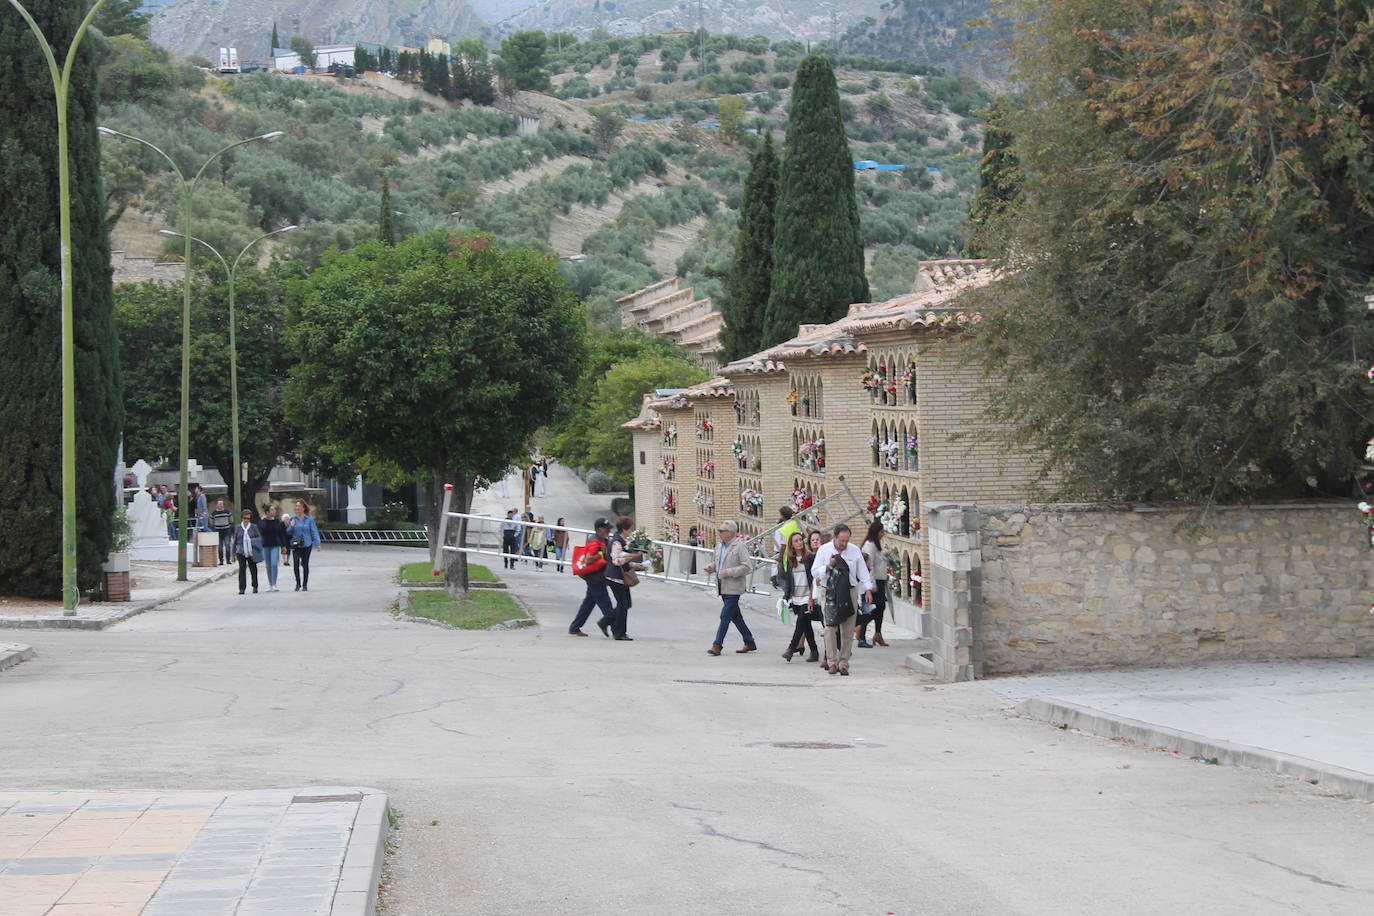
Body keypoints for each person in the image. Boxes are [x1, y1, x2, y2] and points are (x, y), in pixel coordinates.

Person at [811, 524, 874, 676]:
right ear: (835, 537)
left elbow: (863, 572)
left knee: (847, 629)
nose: (844, 544)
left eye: (846, 540)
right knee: (830, 628)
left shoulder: (854, 550)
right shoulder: (824, 550)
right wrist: (828, 566)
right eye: (841, 541)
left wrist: (868, 590)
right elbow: (814, 572)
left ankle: (844, 663)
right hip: (830, 592)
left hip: (849, 591)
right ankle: (832, 661)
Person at [704, 519, 756, 655]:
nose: (719, 533)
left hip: (734, 587)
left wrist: (730, 572)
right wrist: (711, 567)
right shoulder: (719, 546)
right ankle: (749, 641)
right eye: (719, 531)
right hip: (722, 586)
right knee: (735, 616)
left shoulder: (739, 546)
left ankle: (717, 645)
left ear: (731, 533)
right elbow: (718, 562)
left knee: (725, 615)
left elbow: (747, 566)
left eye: (722, 531)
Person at [598, 516, 642, 641]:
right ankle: (619, 632)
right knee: (623, 604)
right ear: (624, 529)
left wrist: (636, 564)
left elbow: (624, 561)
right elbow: (616, 561)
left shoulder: (621, 540)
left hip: (620, 577)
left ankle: (606, 622)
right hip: (615, 578)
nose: (631, 531)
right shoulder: (617, 542)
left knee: (626, 603)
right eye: (630, 529)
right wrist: (633, 556)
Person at [568, 518, 615, 636]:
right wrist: (600, 554)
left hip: (596, 577)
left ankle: (574, 627)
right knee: (606, 604)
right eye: (606, 529)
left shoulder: (602, 539)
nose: (609, 531)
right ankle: (616, 629)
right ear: (599, 530)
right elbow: (588, 560)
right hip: (595, 578)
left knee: (588, 603)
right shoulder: (594, 541)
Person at [778, 530, 818, 662]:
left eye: (801, 540)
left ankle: (791, 648)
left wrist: (813, 596)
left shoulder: (810, 557)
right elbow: (789, 580)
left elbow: (813, 577)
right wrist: (786, 597)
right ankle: (814, 651)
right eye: (796, 541)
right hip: (796, 597)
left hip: (808, 596)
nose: (799, 543)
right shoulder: (791, 560)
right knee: (806, 625)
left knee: (801, 621)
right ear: (792, 545)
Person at [858, 520, 890, 647]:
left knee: (881, 607)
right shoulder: (869, 545)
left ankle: (877, 633)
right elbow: (868, 566)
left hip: (880, 580)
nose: (883, 534)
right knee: (875, 608)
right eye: (881, 532)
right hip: (874, 582)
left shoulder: (875, 545)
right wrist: (871, 584)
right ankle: (861, 628)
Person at [284, 500, 321, 591]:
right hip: (296, 544)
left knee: (305, 564)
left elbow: (314, 531)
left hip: (306, 544)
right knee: (296, 563)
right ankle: (298, 583)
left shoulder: (309, 519)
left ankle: (305, 584)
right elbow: (287, 532)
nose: (297, 508)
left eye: (299, 506)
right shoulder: (293, 518)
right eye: (296, 506)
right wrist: (291, 526)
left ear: (303, 508)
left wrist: (317, 543)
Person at [231, 508, 263, 595]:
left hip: (251, 551)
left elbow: (258, 539)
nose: (246, 520)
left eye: (248, 518)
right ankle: (242, 588)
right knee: (242, 569)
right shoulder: (238, 527)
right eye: (245, 518)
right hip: (240, 551)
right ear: (242, 518)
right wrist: (233, 554)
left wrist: (256, 551)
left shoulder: (254, 527)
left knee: (253, 569)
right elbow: (235, 540)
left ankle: (255, 586)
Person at [258, 504, 286, 592]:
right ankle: (270, 584)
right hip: (265, 545)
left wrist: (283, 546)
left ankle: (274, 584)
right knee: (268, 565)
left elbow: (281, 534)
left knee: (274, 564)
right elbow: (261, 530)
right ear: (267, 512)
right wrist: (264, 520)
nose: (274, 511)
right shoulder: (262, 522)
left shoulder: (278, 522)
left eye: (274, 510)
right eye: (272, 510)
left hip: (275, 545)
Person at [209, 498, 233, 565]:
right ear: (217, 505)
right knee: (220, 547)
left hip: (226, 530)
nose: (220, 505)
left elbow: (231, 520)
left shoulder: (227, 512)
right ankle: (221, 561)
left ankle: (228, 560)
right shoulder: (214, 513)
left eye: (221, 504)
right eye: (219, 504)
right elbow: (211, 522)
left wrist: (228, 525)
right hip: (218, 531)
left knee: (228, 545)